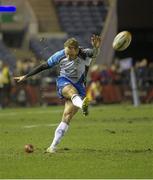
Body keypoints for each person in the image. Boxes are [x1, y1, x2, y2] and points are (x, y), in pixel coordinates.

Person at [14, 34, 101, 153]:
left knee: (67, 116)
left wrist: (96, 47)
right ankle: (83, 106)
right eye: (66, 53)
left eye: (70, 54)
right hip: (64, 82)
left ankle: (52, 147)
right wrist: (26, 76)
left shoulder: (85, 53)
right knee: (71, 91)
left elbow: (94, 53)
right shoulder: (60, 55)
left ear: (76, 50)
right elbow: (44, 66)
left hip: (80, 86)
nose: (68, 56)